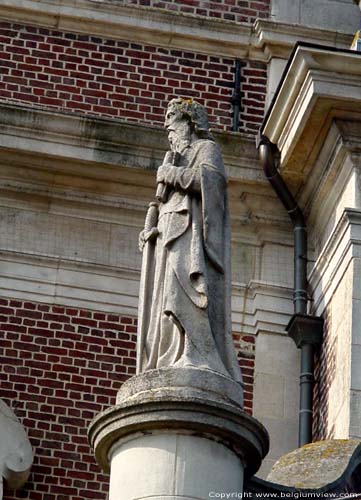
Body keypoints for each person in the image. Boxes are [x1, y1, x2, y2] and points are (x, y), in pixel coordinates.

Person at [137, 98, 242, 383]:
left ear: (189, 124)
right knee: (165, 299)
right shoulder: (176, 157)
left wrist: (172, 174)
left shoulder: (205, 149)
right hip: (169, 232)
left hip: (190, 234)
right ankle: (169, 354)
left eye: (173, 127)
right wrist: (153, 234)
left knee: (182, 293)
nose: (170, 135)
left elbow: (211, 184)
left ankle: (196, 354)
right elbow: (166, 203)